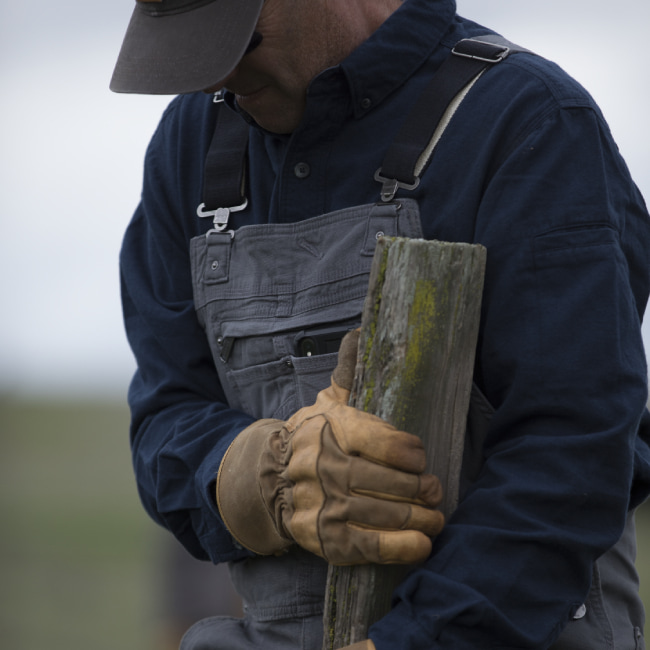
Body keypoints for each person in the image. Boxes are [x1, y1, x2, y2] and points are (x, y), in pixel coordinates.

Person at [111, 0, 650, 648]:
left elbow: (571, 457)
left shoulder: (527, 125)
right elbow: (164, 423)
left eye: (237, 42)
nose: (212, 81)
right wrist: (263, 475)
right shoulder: (187, 149)